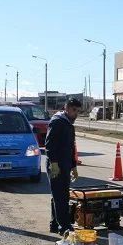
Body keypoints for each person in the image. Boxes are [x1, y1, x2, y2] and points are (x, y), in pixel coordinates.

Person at [45, 98, 82, 234]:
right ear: (66, 108)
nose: (76, 113)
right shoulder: (57, 122)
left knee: (58, 196)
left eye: (78, 111)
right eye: (74, 110)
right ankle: (65, 227)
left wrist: (73, 166)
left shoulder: (68, 124)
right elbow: (50, 144)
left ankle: (54, 224)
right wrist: (53, 163)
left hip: (65, 164)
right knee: (61, 198)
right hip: (56, 165)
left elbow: (71, 147)